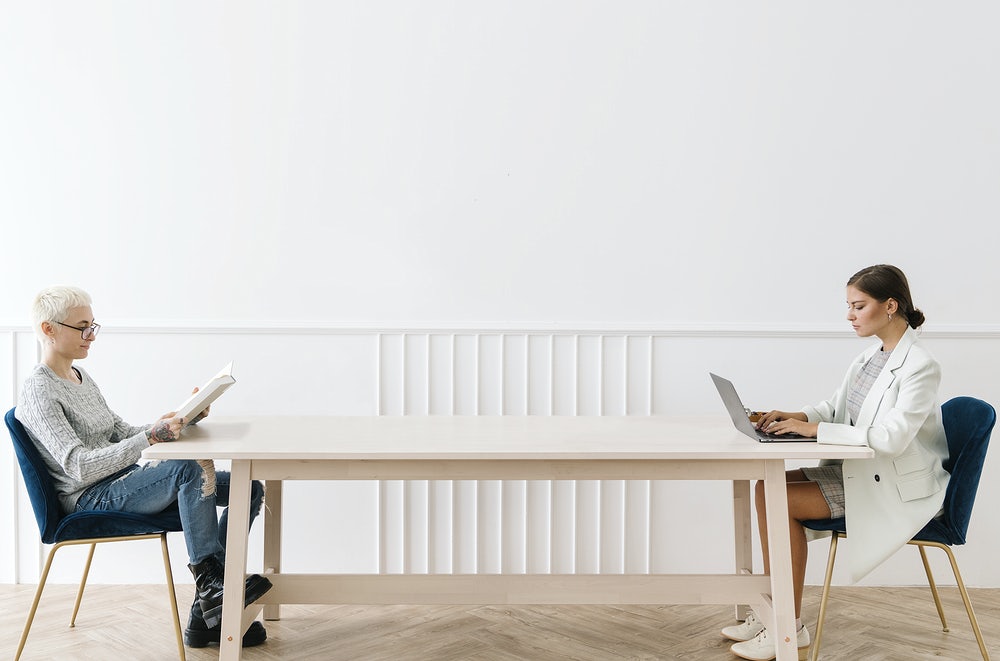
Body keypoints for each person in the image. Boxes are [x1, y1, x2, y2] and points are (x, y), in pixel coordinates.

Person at [15, 285, 272, 649]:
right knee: (187, 470)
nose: (91, 336)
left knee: (250, 488)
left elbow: (123, 433)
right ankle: (212, 586)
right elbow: (80, 468)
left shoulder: (81, 378)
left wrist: (182, 419)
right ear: (48, 329)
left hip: (123, 483)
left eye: (93, 326)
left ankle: (209, 607)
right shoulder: (39, 391)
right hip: (91, 497)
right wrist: (150, 438)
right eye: (82, 327)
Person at [722, 265, 950, 661]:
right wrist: (790, 415)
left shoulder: (920, 366)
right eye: (849, 306)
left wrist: (812, 432)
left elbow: (891, 437)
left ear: (890, 306)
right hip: (863, 470)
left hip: (894, 485)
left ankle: (787, 629)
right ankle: (777, 613)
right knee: (767, 488)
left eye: (858, 306)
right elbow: (834, 408)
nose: (849, 315)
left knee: (781, 500)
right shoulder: (870, 357)